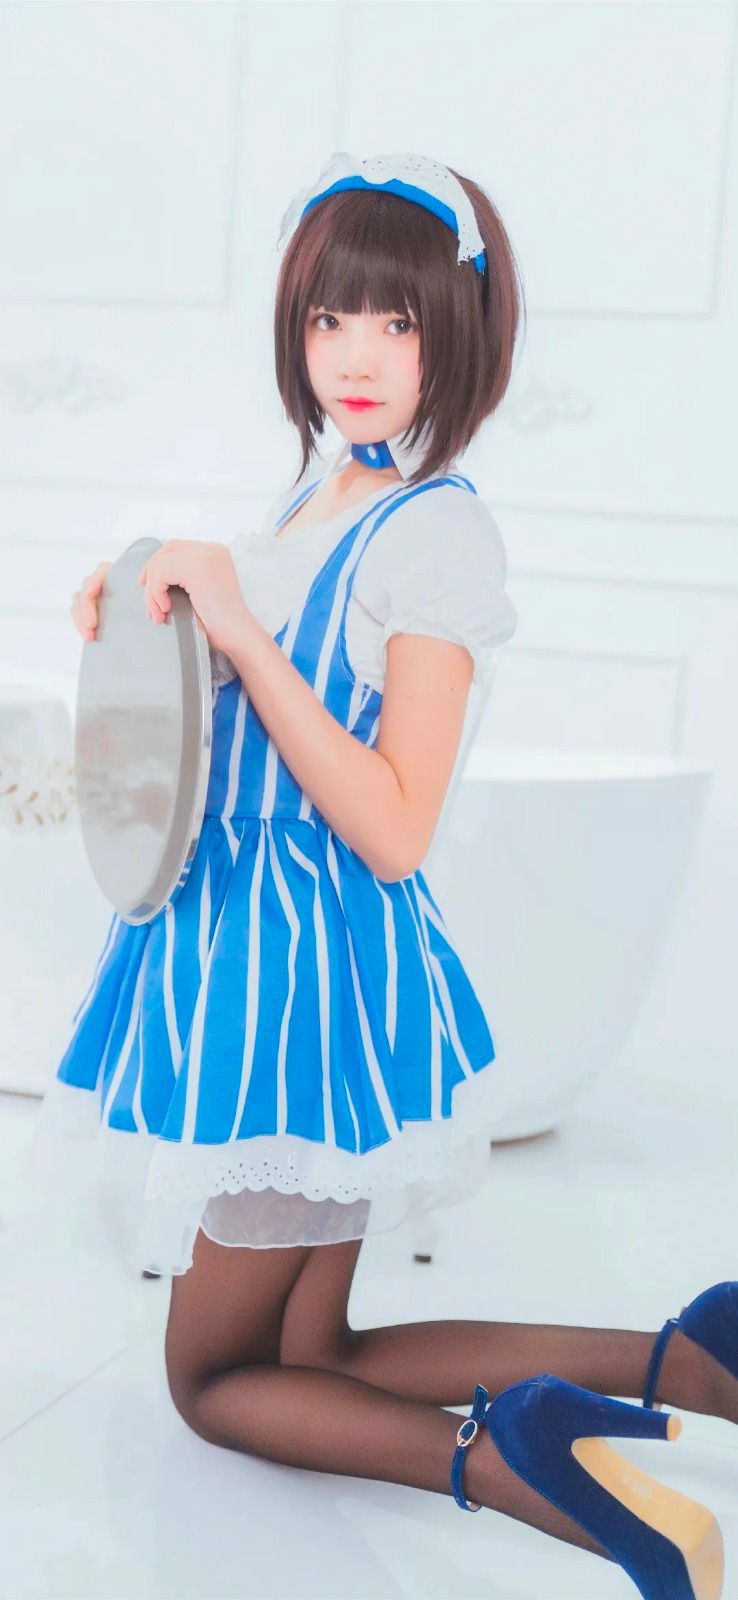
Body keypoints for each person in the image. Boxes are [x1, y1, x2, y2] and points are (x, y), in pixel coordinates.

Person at [25, 152, 735, 1599]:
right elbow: (238, 689)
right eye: (327, 319)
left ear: (457, 333)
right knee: (318, 1350)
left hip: (292, 984)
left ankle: (512, 1464)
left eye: (398, 324)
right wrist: (152, 608)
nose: (356, 358)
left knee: (212, 1381)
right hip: (272, 957)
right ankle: (693, 1363)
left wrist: (236, 626)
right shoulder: (322, 493)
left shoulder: (436, 533)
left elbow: (397, 823)